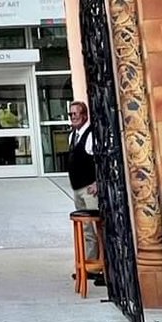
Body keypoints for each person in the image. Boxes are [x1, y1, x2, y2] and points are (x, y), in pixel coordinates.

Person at [65, 100, 104, 276]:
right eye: (71, 114)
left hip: (89, 189)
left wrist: (97, 182)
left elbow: (100, 161)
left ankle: (102, 267)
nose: (73, 117)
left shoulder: (91, 135)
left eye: (76, 114)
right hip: (78, 189)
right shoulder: (73, 135)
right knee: (86, 229)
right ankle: (89, 264)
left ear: (85, 115)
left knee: (97, 228)